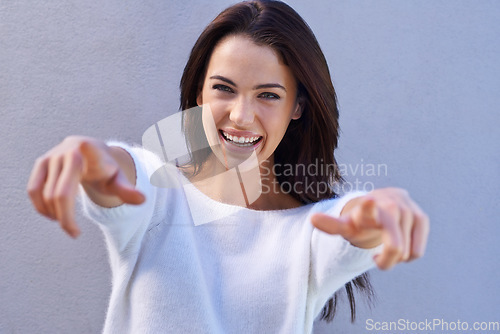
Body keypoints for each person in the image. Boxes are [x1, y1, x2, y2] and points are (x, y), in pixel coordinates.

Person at [27, 1, 429, 333]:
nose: (241, 115)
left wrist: (377, 213)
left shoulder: (311, 231)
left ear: (298, 108)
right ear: (200, 92)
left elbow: (348, 224)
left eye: (268, 95)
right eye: (224, 88)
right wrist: (92, 159)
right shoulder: (157, 196)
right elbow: (123, 174)